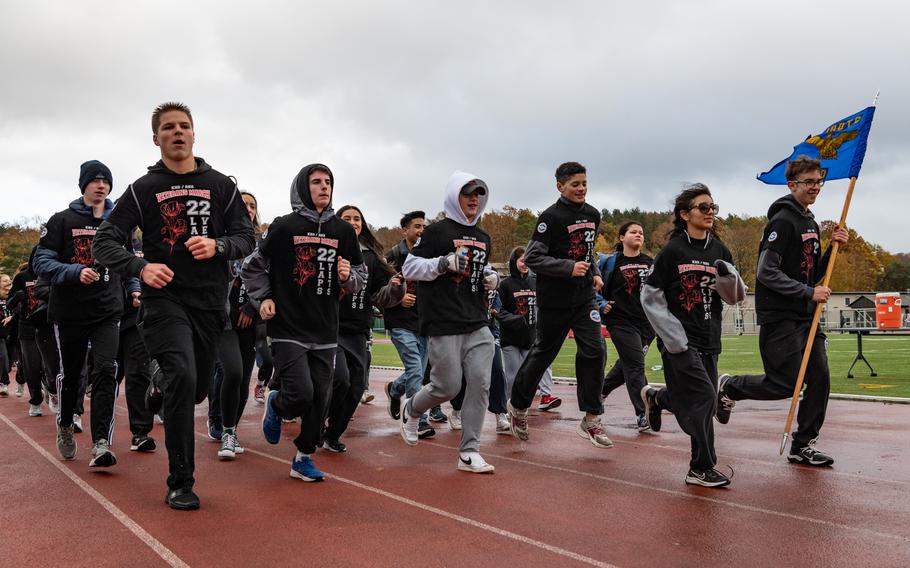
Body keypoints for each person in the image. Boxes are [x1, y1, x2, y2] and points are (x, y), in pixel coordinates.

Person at [93, 102, 255, 510]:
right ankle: (181, 481)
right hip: (164, 301)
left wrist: (218, 245)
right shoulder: (143, 188)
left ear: (195, 135)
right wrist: (140, 267)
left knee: (196, 387)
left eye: (185, 126)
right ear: (156, 138)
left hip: (209, 303)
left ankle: (159, 381)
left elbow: (246, 238)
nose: (177, 132)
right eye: (169, 128)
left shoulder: (222, 185)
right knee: (184, 376)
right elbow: (104, 241)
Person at [716, 156, 848, 467]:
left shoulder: (810, 223)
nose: (815, 187)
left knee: (820, 378)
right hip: (780, 317)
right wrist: (807, 292)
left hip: (806, 316)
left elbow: (813, 273)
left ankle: (803, 445)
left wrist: (833, 247)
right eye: (808, 182)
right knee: (785, 383)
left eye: (819, 181)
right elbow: (766, 272)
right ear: (792, 185)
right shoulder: (783, 222)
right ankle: (730, 386)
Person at [244, 163, 364, 482]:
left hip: (325, 328)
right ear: (302, 187)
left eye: (328, 182)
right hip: (288, 327)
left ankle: (303, 457)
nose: (324, 187)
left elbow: (360, 277)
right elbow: (251, 267)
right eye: (316, 182)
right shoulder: (285, 227)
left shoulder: (343, 231)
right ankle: (277, 403)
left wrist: (347, 276)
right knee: (301, 393)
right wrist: (264, 298)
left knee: (321, 397)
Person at [640, 184, 746, 488]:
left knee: (705, 401)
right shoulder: (673, 251)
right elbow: (650, 296)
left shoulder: (719, 249)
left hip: (710, 336)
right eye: (703, 207)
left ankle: (658, 398)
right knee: (703, 398)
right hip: (680, 340)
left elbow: (734, 297)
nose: (710, 212)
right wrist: (673, 338)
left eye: (713, 207)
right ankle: (701, 466)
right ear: (685, 214)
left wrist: (730, 276)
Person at [33, 160, 131, 467]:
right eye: (95, 180)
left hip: (107, 310)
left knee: (106, 370)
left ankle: (101, 442)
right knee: (73, 374)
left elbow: (131, 260)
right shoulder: (62, 220)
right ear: (84, 184)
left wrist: (135, 286)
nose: (101, 185)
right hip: (71, 311)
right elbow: (42, 263)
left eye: (106, 181)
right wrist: (75, 272)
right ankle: (65, 423)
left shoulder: (120, 224)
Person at [507, 162, 612, 448]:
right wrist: (568, 267)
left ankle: (591, 418)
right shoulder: (550, 218)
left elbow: (588, 255)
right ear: (560, 186)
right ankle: (517, 406)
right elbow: (532, 259)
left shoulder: (593, 214)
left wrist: (596, 274)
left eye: (584, 183)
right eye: (575, 184)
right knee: (543, 354)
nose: (581, 189)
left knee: (595, 349)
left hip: (584, 299)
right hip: (553, 301)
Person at [400, 171, 498, 473]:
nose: (473, 199)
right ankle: (412, 408)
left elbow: (479, 268)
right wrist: (443, 263)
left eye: (478, 193)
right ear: (454, 196)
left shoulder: (484, 237)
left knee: (481, 383)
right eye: (467, 193)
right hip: (443, 320)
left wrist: (488, 277)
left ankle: (469, 451)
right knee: (447, 386)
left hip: (477, 320)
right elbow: (410, 267)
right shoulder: (437, 232)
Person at [323, 204, 402, 452]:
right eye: (347, 218)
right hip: (329, 327)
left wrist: (397, 288)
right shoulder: (328, 250)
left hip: (358, 330)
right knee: (340, 379)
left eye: (357, 219)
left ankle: (332, 433)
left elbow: (381, 295)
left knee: (356, 388)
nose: (353, 222)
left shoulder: (371, 257)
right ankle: (316, 422)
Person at [214, 189, 262, 459]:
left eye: (252, 205)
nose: (248, 209)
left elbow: (270, 278)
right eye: (242, 204)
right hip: (223, 319)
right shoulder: (219, 238)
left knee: (242, 379)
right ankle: (225, 429)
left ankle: (230, 430)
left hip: (251, 321)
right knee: (230, 373)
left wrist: (252, 306)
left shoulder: (263, 242)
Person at [595, 221, 655, 432]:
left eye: (641, 232)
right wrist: (601, 304)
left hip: (647, 324)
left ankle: (599, 393)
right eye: (633, 232)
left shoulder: (650, 262)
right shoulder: (610, 263)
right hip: (620, 321)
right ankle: (643, 413)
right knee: (636, 365)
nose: (638, 235)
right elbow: (593, 287)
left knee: (628, 364)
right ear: (622, 237)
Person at [383, 211, 438, 438]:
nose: (421, 230)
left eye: (424, 226)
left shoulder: (430, 254)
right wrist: (399, 298)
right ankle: (418, 418)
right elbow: (380, 291)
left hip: (423, 322)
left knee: (419, 371)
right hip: (399, 322)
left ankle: (394, 389)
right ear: (405, 230)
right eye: (417, 226)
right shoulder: (392, 257)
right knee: (415, 369)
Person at [496, 247, 561, 412]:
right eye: (521, 260)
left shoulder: (534, 282)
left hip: (530, 337)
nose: (524, 264)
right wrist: (513, 319)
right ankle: (506, 408)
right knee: (512, 376)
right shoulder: (505, 285)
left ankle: (521, 406)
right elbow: (496, 309)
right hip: (510, 338)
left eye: (527, 261)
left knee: (529, 375)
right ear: (514, 262)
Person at [8, 250, 49, 416]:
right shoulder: (22, 277)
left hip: (48, 326)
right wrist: (17, 297)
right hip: (27, 328)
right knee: (32, 367)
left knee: (49, 366)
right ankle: (36, 401)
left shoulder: (52, 274)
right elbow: (9, 302)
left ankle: (51, 389)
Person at [0, 273, 13, 397]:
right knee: (3, 358)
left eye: (9, 280)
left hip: (13, 333)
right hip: (1, 334)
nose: (8, 283)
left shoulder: (13, 296)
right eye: (4, 281)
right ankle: (3, 383)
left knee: (9, 361)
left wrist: (12, 317)